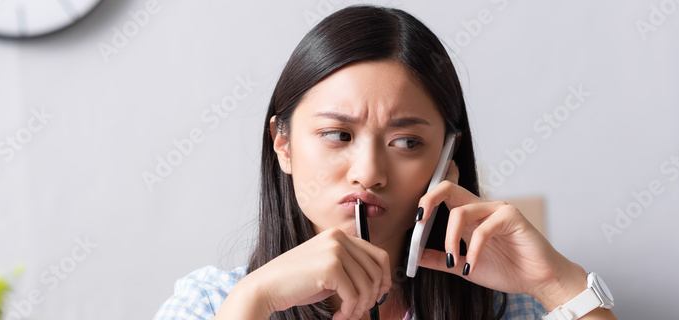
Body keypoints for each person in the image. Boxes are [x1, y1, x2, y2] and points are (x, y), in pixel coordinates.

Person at [155, 5, 618, 320]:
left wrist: (558, 284)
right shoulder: (213, 303)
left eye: (407, 142)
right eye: (338, 135)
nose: (369, 173)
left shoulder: (504, 308)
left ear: (446, 159)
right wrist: (255, 299)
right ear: (284, 145)